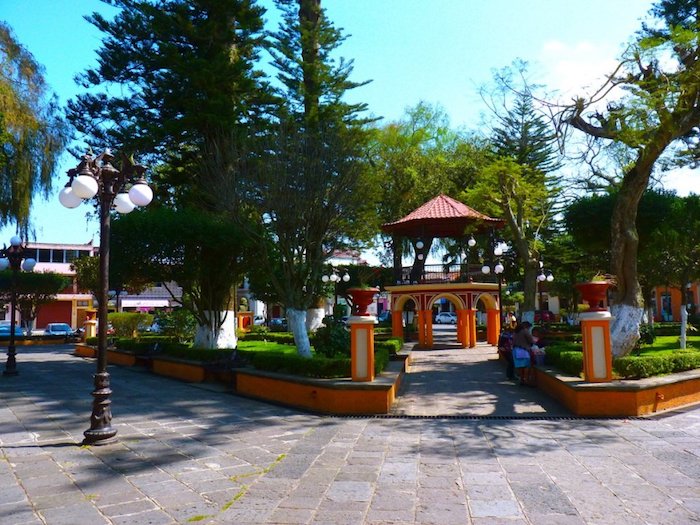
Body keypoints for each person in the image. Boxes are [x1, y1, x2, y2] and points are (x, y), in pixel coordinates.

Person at [512, 321, 535, 385]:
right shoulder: (525, 331)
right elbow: (531, 340)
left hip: (516, 350)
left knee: (520, 366)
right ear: (527, 326)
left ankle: (522, 379)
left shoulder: (516, 331)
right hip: (523, 350)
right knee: (526, 366)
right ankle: (526, 380)